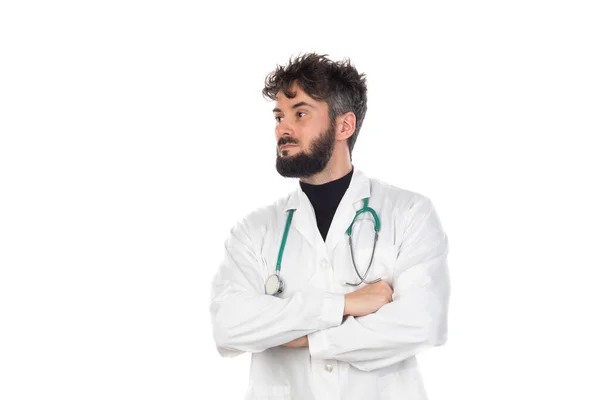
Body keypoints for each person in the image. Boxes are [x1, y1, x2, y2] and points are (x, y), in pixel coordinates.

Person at [209, 53, 450, 400]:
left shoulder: (409, 213)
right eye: (279, 116)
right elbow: (228, 326)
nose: (283, 129)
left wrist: (296, 336)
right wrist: (346, 304)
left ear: (344, 126)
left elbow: (423, 322)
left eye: (300, 113)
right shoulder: (254, 231)